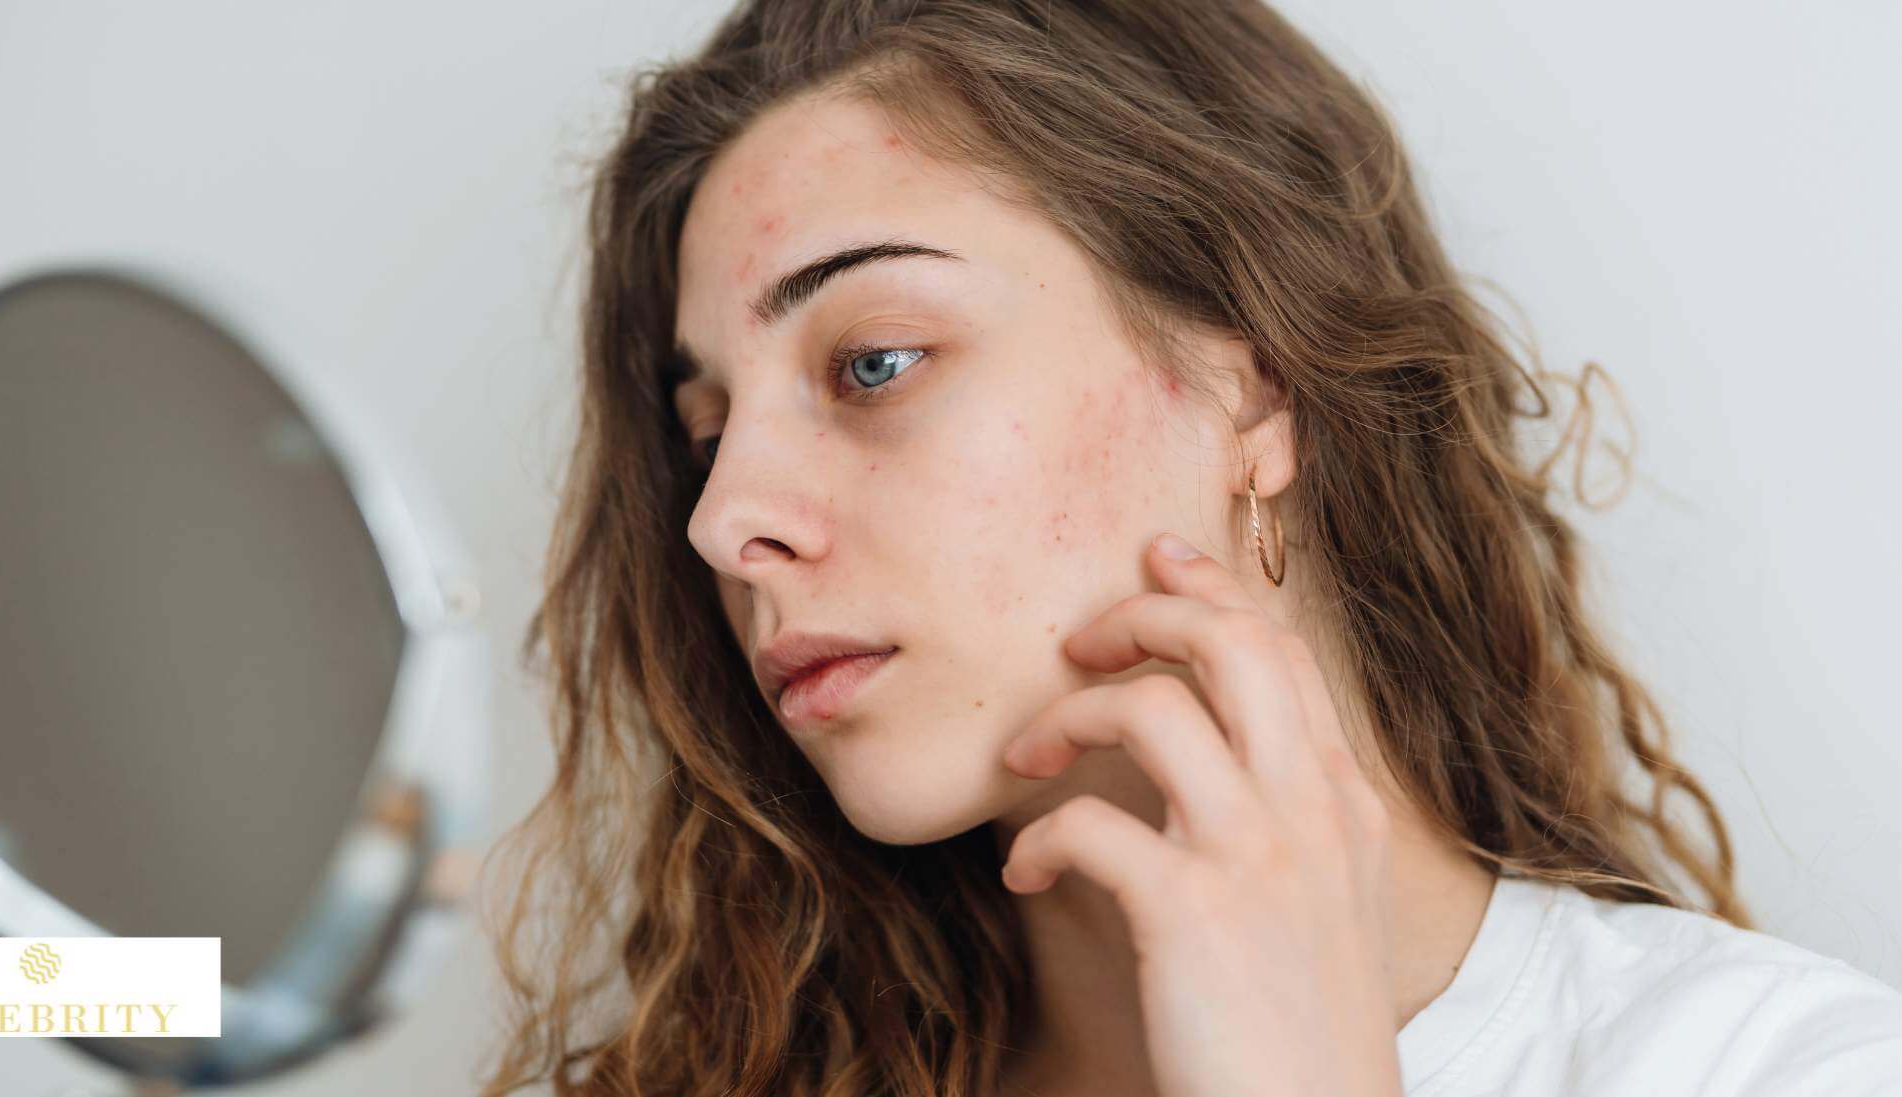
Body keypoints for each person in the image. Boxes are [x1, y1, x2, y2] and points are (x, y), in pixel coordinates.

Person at [476, 1, 1902, 1094]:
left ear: (1256, 386)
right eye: (707, 428)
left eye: (874, 363)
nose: (724, 519)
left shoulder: (1769, 1065)